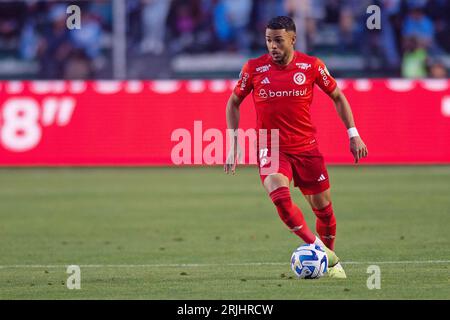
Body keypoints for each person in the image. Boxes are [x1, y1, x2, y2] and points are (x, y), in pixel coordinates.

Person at [224, 16, 368, 278]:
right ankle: (324, 253)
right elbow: (233, 102)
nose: (273, 46)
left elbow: (338, 96)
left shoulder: (311, 66)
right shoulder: (254, 69)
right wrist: (233, 142)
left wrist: (353, 134)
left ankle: (328, 257)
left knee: (324, 212)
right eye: (268, 40)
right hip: (272, 147)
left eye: (278, 40)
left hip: (306, 148)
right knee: (279, 196)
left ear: (292, 39)